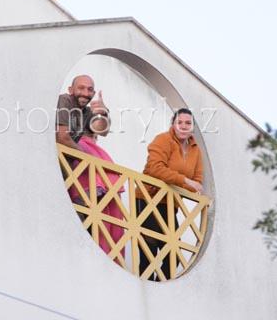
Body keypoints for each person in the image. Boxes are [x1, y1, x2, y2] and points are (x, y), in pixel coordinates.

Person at [56, 75, 124, 255]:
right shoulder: (65, 100)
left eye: (90, 90)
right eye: (81, 88)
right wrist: (88, 157)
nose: (86, 93)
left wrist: (103, 112)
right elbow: (62, 138)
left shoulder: (85, 112)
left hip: (68, 173)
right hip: (56, 169)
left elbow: (102, 130)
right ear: (71, 90)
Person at [137, 108, 204, 280]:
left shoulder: (196, 150)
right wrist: (184, 180)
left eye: (188, 123)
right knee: (148, 253)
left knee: (173, 255)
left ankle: (159, 289)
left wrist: (186, 183)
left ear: (193, 127)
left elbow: (197, 182)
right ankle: (144, 290)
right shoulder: (163, 139)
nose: (183, 126)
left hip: (170, 205)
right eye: (179, 122)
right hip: (148, 198)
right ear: (172, 124)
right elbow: (155, 168)